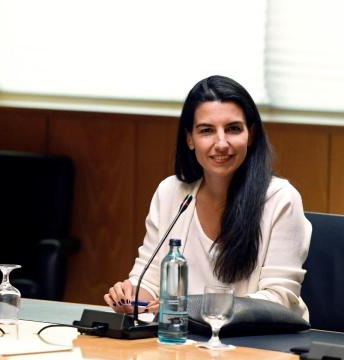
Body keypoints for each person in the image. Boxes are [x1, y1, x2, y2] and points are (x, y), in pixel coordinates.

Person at [104, 75, 311, 320]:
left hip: (260, 344)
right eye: (207, 131)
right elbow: (149, 281)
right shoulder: (171, 193)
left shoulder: (281, 199)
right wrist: (132, 296)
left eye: (233, 129)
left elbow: (279, 300)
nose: (221, 143)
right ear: (190, 139)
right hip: (186, 341)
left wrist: (191, 306)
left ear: (251, 135)